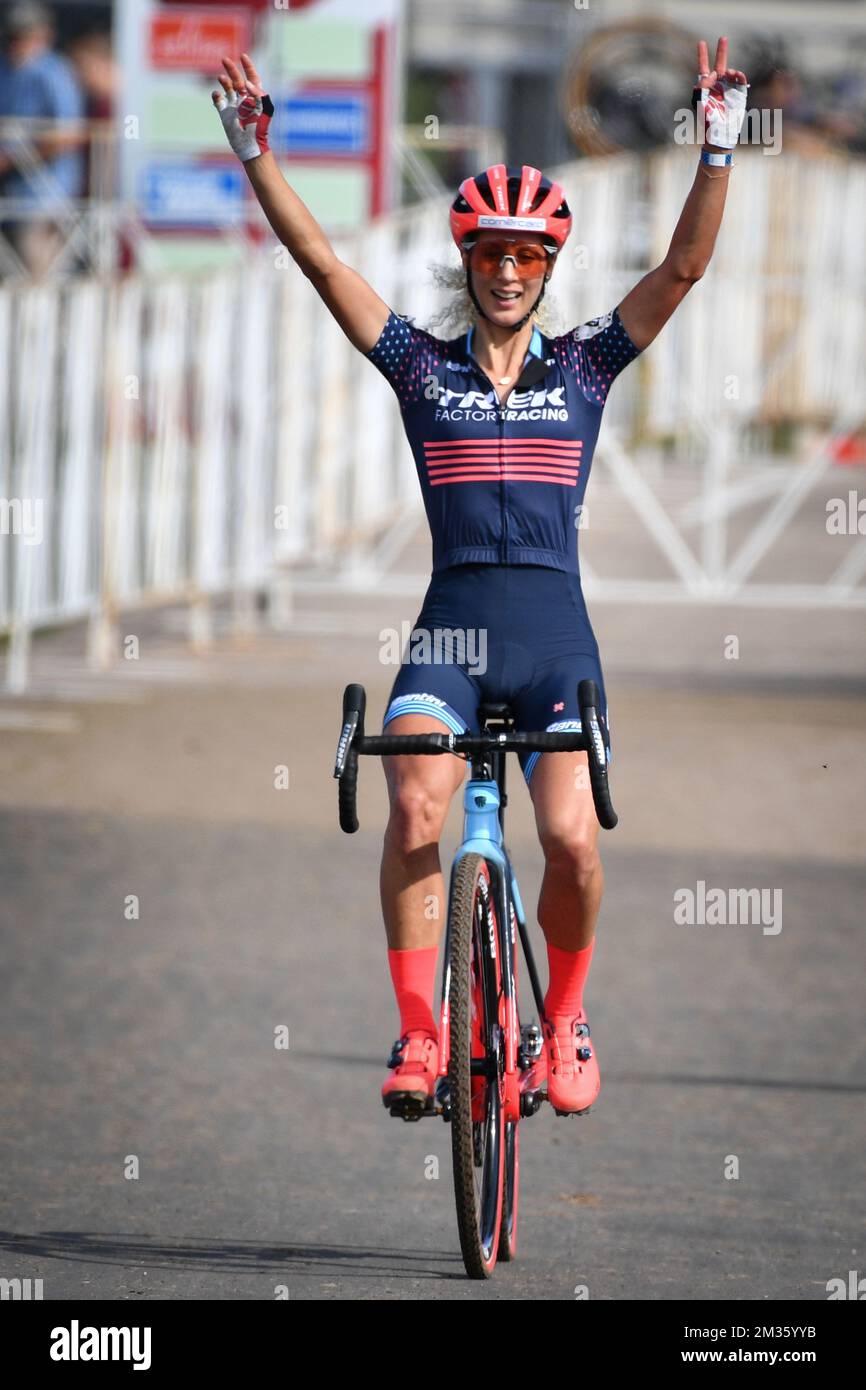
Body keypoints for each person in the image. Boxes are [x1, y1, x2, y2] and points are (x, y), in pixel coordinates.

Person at [213, 41, 748, 1116]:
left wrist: (717, 148)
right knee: (413, 805)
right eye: (490, 255)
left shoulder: (588, 366)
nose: (507, 271)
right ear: (468, 264)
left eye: (526, 257)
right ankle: (418, 1037)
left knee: (570, 840)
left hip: (552, 633)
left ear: (546, 270)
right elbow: (325, 268)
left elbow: (681, 271)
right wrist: (255, 158)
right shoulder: (420, 367)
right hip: (450, 630)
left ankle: (564, 1021)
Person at [0, 1, 85, 278]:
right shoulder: (7, 72)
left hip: (46, 198)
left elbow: (68, 134)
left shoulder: (54, 72)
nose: (18, 43)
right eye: (13, 35)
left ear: (44, 35)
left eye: (25, 35)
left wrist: (14, 159)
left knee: (37, 280)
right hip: (11, 197)